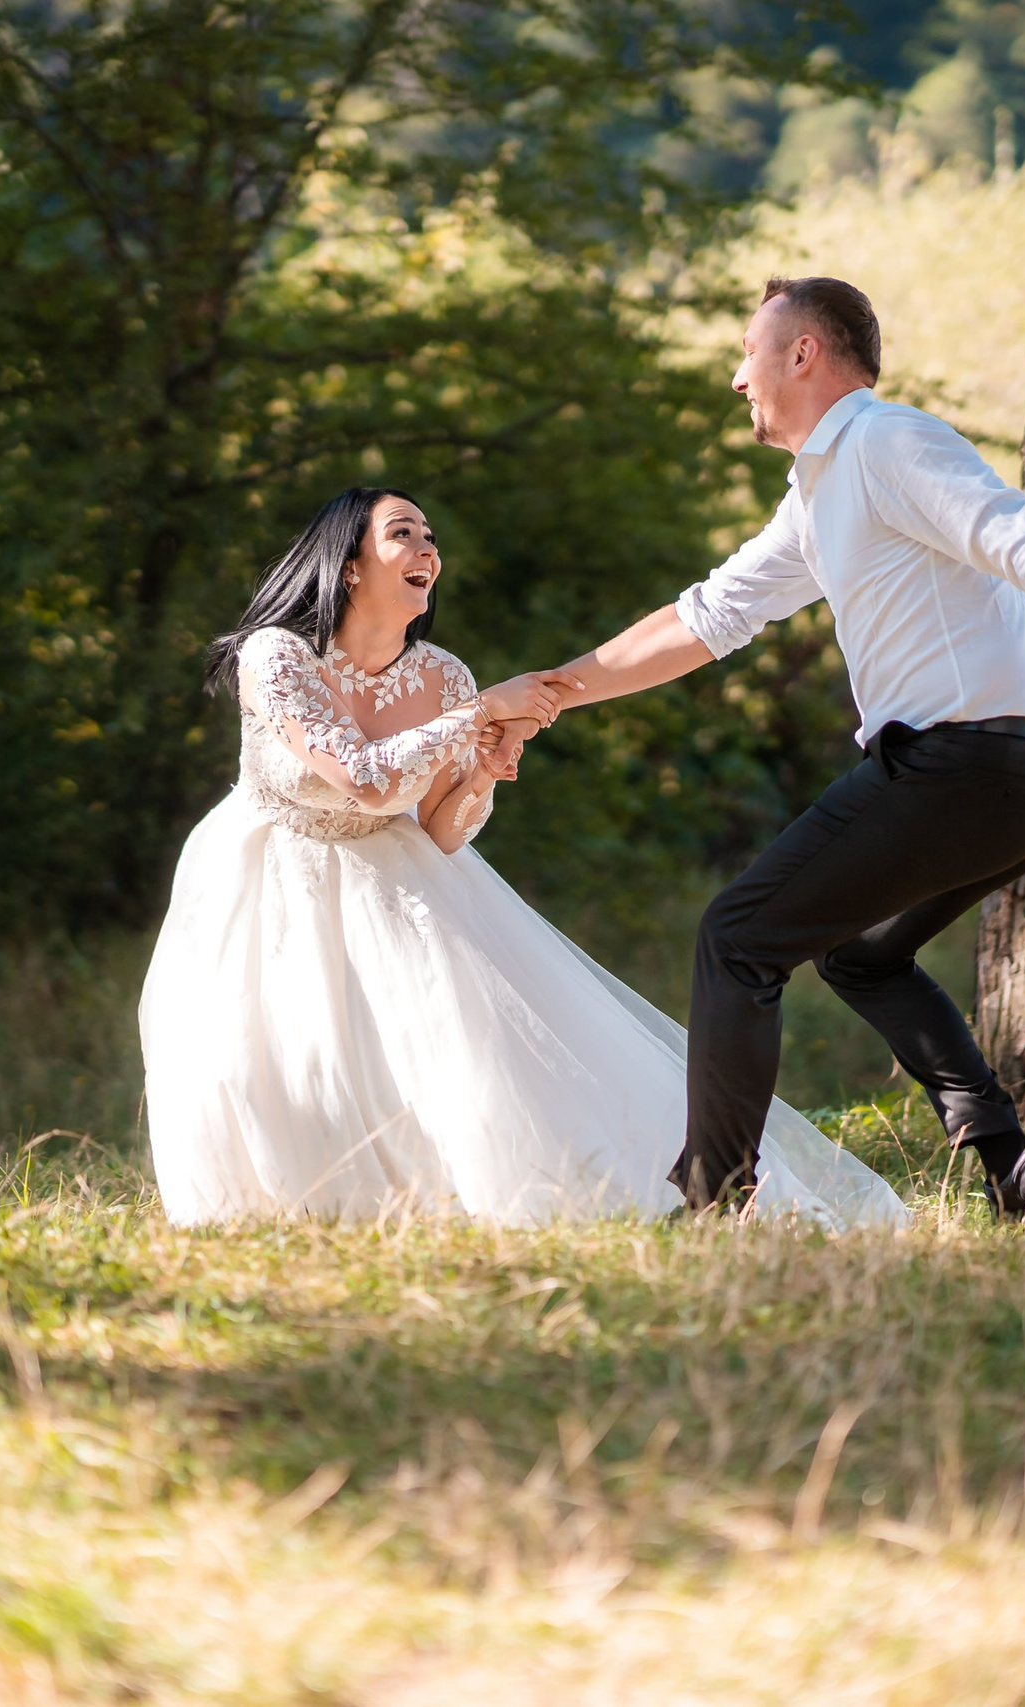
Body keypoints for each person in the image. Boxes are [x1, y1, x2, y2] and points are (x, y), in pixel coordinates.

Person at [541, 277, 1025, 1222]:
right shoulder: (820, 493)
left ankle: (715, 1200)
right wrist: (552, 691)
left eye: (749, 351)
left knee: (737, 938)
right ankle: (1017, 1164)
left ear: (803, 354)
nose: (735, 376)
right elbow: (710, 614)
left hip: (968, 765)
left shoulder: (887, 442)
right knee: (859, 953)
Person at [139, 486, 908, 1229]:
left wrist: (481, 768)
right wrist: (481, 713)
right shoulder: (277, 656)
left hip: (396, 872)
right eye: (403, 532)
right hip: (263, 874)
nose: (427, 548)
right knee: (257, 1056)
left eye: (432, 537)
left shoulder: (443, 676)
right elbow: (364, 778)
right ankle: (279, 1208)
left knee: (450, 1066)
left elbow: (441, 829)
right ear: (348, 564)